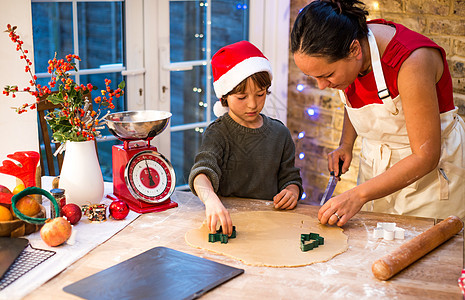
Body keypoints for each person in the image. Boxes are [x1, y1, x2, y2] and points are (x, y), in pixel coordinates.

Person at [290, 0, 465, 226]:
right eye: (315, 77)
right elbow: (353, 97)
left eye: (327, 75)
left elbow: (425, 157)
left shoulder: (411, 61)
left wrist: (358, 195)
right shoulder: (350, 50)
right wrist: (345, 144)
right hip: (376, 173)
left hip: (431, 182)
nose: (322, 86)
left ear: (354, 50)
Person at [189, 41, 303, 236]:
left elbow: (290, 178)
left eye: (260, 94)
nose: (252, 104)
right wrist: (211, 200)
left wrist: (292, 192)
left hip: (272, 226)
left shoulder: (280, 134)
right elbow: (202, 173)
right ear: (224, 97)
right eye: (242, 97)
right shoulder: (218, 133)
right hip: (229, 223)